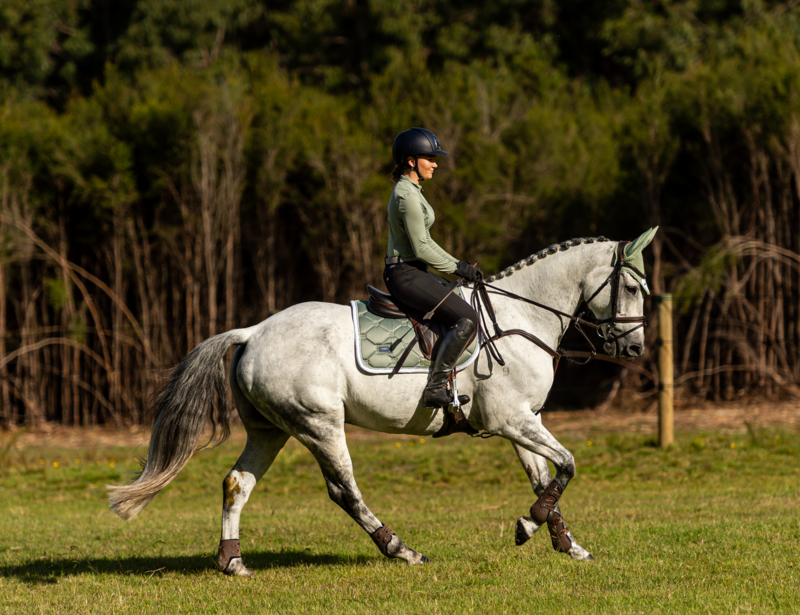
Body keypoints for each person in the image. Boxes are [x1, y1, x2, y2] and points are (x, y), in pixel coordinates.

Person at [383, 127, 482, 409]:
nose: (436, 163)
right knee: (468, 319)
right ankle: (435, 388)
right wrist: (457, 267)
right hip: (405, 274)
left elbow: (427, 242)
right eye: (430, 157)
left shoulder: (412, 190)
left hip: (414, 271)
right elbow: (421, 248)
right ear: (411, 160)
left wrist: (458, 265)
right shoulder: (406, 196)